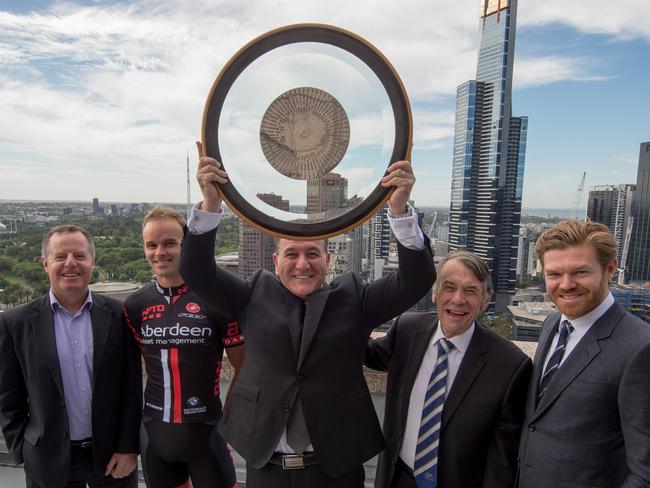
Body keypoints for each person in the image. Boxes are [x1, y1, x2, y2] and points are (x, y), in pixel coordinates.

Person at [178, 143, 436, 488]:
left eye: (313, 253)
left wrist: (400, 210)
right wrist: (211, 204)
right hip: (266, 466)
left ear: (328, 262)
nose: (302, 264)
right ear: (275, 261)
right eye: (292, 254)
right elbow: (195, 271)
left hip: (335, 468)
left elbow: (416, 279)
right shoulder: (250, 294)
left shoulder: (355, 299)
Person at [366, 250, 531, 488]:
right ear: (435, 293)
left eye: (471, 291)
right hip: (396, 478)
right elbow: (367, 353)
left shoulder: (510, 366)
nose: (458, 300)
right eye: (449, 287)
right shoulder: (407, 330)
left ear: (487, 299)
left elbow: (501, 463)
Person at [0, 225, 141, 488]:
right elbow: (9, 397)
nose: (70, 264)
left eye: (79, 255)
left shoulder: (120, 315)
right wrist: (25, 451)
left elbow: (132, 390)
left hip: (114, 458)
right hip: (47, 460)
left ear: (92, 261)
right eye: (60, 256)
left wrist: (128, 448)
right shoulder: (15, 323)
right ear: (45, 263)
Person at [517, 219, 650, 488]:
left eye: (580, 272)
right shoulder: (552, 324)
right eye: (554, 274)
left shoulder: (640, 348)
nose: (566, 285)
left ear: (609, 269)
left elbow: (645, 472)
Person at [122, 205, 245, 488]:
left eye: (169, 243)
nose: (159, 252)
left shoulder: (215, 299)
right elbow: (149, 361)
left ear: (185, 245)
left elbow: (244, 365)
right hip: (154, 434)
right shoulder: (135, 305)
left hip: (207, 432)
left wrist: (227, 420)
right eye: (151, 245)